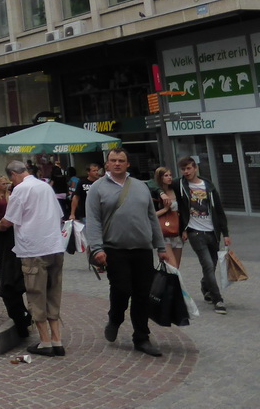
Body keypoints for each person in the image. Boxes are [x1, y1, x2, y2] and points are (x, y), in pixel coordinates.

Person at [85, 148, 169, 356]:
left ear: (127, 164)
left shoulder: (140, 187)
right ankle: (115, 318)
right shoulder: (97, 188)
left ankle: (141, 337)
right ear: (107, 164)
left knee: (142, 295)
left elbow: (152, 218)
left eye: (121, 160)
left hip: (142, 249)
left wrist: (161, 247)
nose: (117, 164)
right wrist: (96, 248)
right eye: (113, 160)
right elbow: (93, 220)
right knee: (122, 289)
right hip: (114, 249)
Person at [0, 161, 65, 358]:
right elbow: (58, 214)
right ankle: (57, 340)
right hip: (55, 247)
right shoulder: (45, 187)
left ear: (13, 175)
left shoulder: (20, 189)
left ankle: (45, 342)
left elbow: (9, 220)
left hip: (33, 250)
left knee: (36, 295)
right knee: (53, 293)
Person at [176, 156, 230, 314]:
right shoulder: (180, 185)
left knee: (212, 265)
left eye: (188, 168)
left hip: (212, 232)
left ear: (195, 168)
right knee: (207, 264)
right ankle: (217, 299)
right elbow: (158, 181)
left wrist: (225, 233)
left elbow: (219, 211)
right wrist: (162, 193)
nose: (186, 172)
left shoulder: (208, 186)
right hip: (195, 232)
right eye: (183, 169)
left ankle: (205, 285)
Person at [0, 175, 31, 338]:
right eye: (4, 183)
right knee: (11, 283)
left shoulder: (14, 196)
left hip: (14, 243)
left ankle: (24, 320)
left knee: (12, 284)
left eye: (8, 183)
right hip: (7, 240)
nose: (6, 185)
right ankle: (23, 321)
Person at [153, 167, 183, 268]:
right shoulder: (155, 193)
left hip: (176, 231)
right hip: (163, 233)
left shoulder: (175, 190)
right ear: (160, 177)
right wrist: (165, 209)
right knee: (171, 265)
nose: (169, 178)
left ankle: (172, 284)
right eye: (166, 176)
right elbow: (151, 215)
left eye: (170, 175)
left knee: (176, 267)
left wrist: (184, 230)